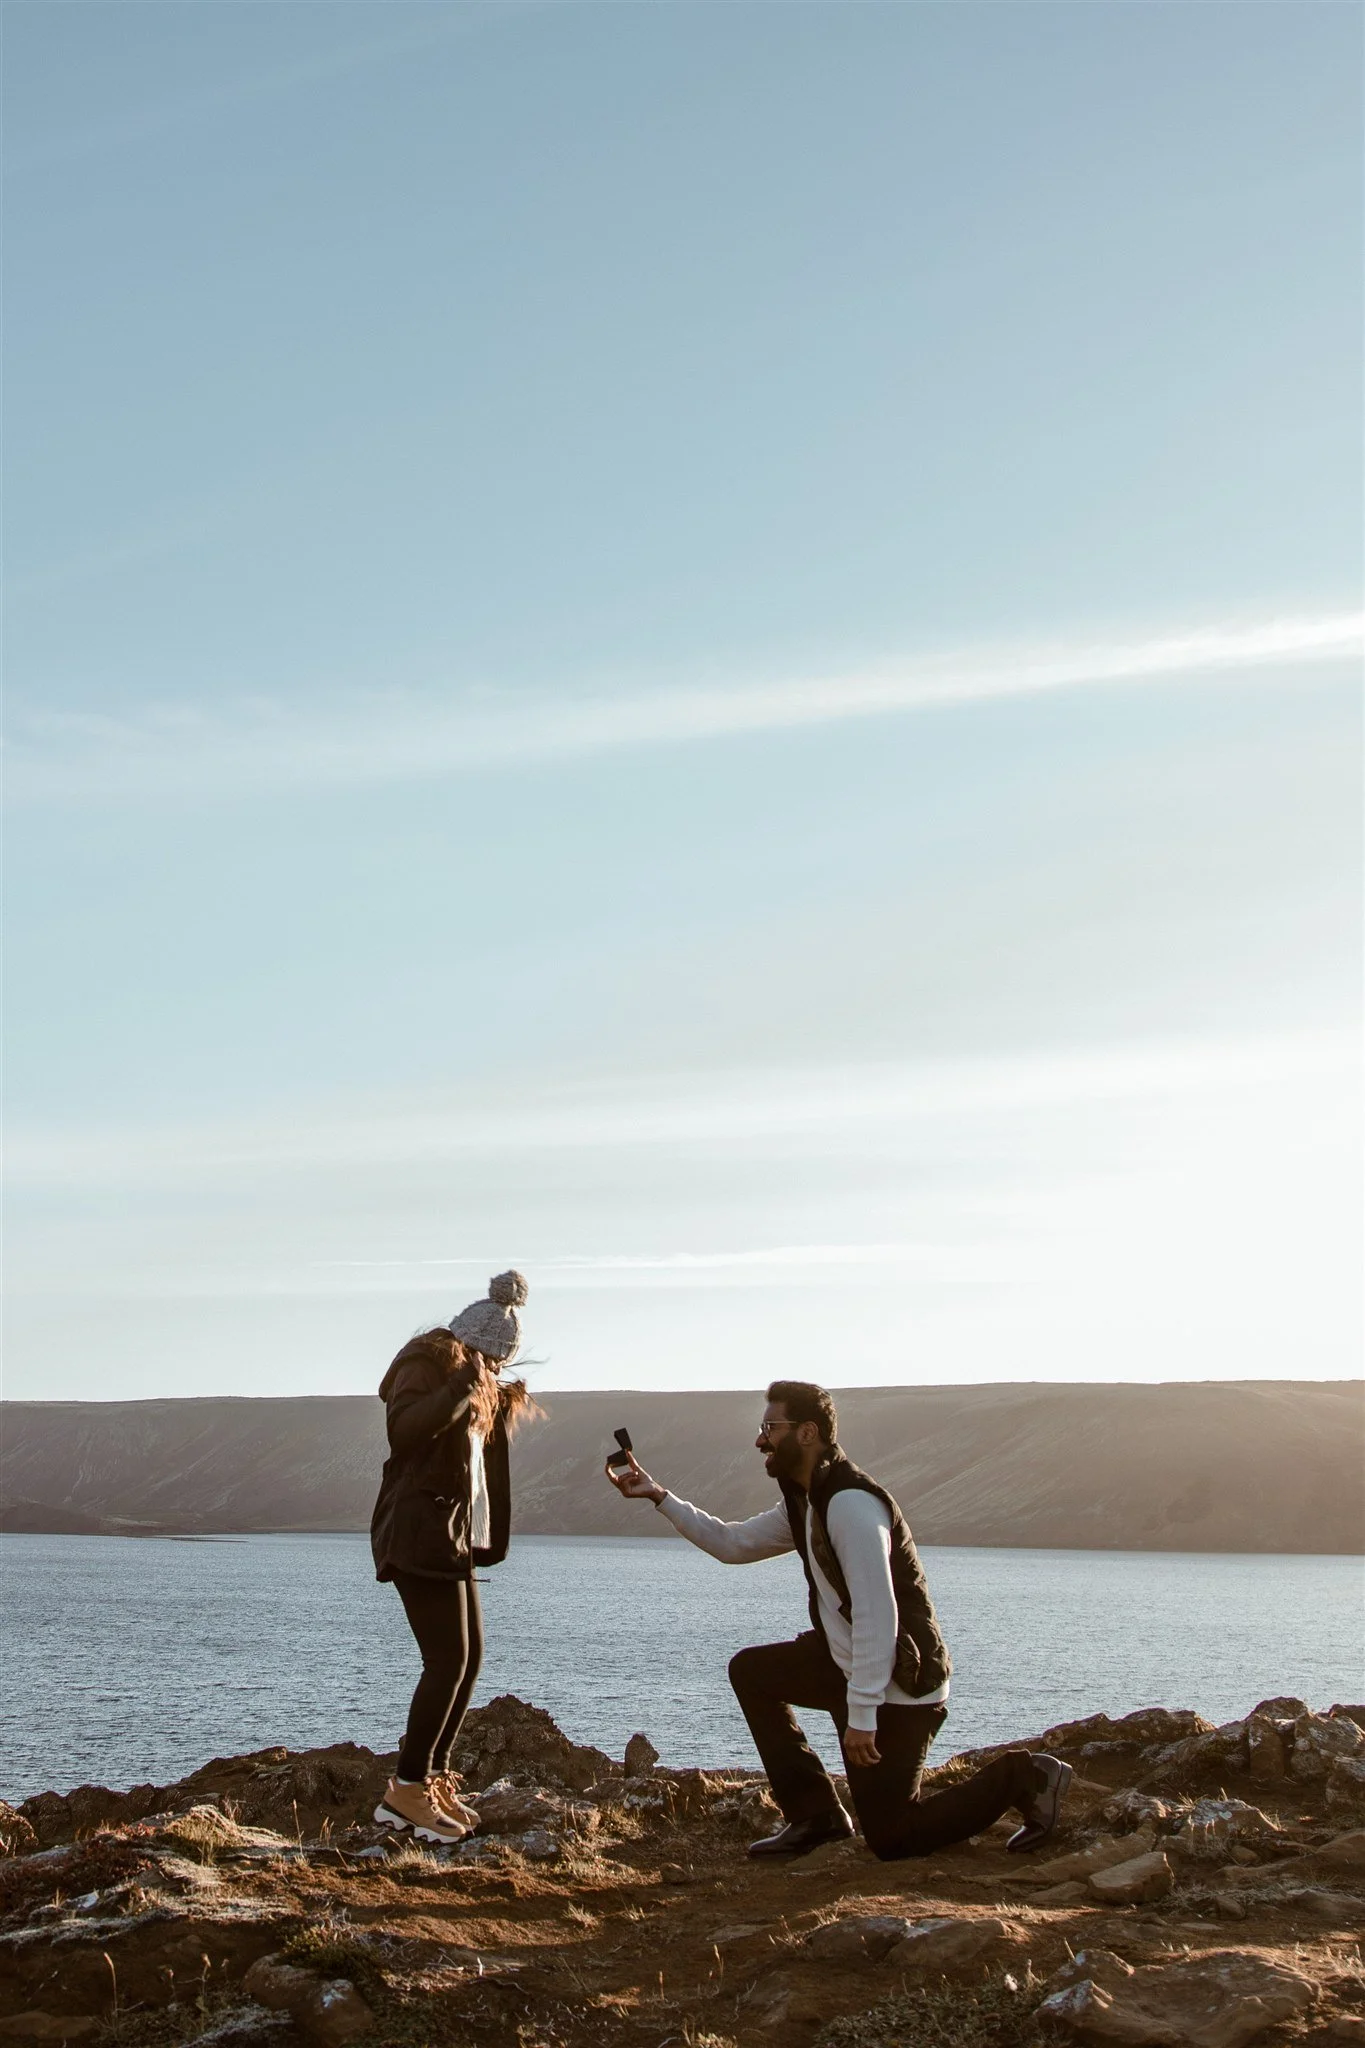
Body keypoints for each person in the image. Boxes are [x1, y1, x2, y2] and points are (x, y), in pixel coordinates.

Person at [606, 1379, 1070, 1861]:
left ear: (808, 1433)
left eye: (771, 1428)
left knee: (893, 1838)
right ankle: (816, 1817)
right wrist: (659, 1496)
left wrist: (863, 1716)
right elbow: (733, 1543)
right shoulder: (807, 1500)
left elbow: (878, 1613)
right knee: (752, 1671)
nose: (760, 1440)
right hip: (848, 1665)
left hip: (899, 1682)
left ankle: (1025, 1776)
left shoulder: (850, 1504)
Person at [370, 1270, 539, 1844]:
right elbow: (404, 1432)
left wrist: (492, 1540)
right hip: (416, 1529)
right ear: (469, 1345)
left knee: (468, 1659)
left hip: (451, 1535)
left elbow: (479, 1467)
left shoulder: (479, 1380)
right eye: (491, 1359)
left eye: (500, 1363)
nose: (496, 1371)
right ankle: (405, 1791)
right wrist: (462, 1386)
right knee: (446, 1660)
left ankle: (433, 1778)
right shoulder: (425, 1366)